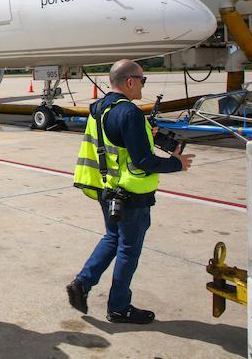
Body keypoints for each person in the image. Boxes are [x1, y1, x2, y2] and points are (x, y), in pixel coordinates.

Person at [67, 59, 195, 324]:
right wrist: (177, 164)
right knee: (128, 249)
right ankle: (119, 307)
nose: (143, 85)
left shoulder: (100, 108)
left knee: (112, 238)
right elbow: (143, 161)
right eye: (142, 80)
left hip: (107, 189)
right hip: (131, 195)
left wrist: (148, 133)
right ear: (130, 82)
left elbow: (116, 144)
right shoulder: (129, 113)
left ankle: (81, 283)